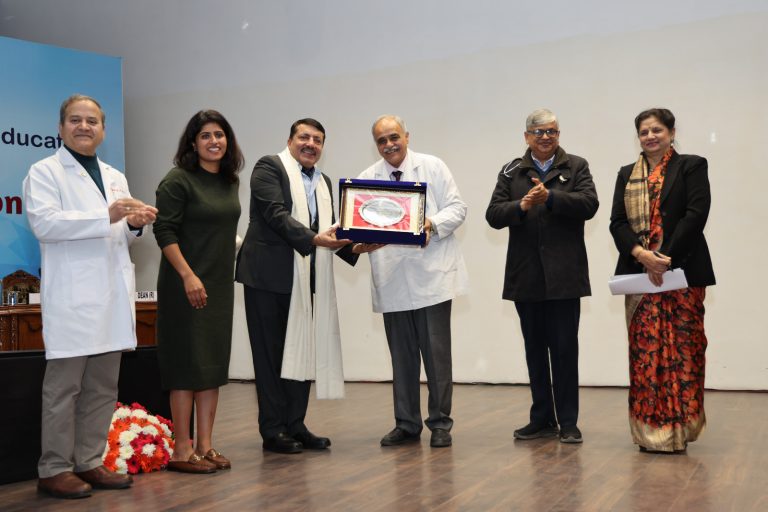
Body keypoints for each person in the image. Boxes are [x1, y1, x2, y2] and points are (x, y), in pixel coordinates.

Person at [23, 94, 157, 499]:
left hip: (111, 296)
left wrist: (135, 225)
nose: (84, 127)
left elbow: (122, 236)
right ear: (61, 127)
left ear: (103, 129)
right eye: (76, 120)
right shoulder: (44, 172)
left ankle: (90, 461)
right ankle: (54, 468)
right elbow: (45, 224)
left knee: (102, 387)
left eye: (92, 121)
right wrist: (109, 216)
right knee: (64, 389)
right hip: (73, 298)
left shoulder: (114, 175)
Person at [235, 118, 356, 454]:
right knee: (270, 355)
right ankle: (273, 429)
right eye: (305, 137)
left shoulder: (324, 181)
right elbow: (275, 214)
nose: (311, 144)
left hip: (306, 278)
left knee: (303, 349)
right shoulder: (268, 167)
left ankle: (295, 424)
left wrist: (357, 246)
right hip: (266, 277)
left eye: (318, 140)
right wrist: (313, 238)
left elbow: (329, 230)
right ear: (290, 140)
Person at [485, 108, 598, 444]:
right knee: (535, 350)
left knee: (565, 350)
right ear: (526, 137)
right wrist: (521, 205)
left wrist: (551, 199)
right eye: (538, 132)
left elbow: (589, 204)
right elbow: (493, 214)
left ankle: (569, 421)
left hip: (565, 276)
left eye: (551, 131)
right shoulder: (511, 171)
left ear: (558, 134)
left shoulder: (576, 166)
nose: (545, 137)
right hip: (527, 276)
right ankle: (541, 418)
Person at [355, 115, 468, 448]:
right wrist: (352, 238)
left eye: (394, 137)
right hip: (392, 278)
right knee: (401, 358)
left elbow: (458, 208)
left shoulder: (433, 166)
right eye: (381, 140)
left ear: (406, 136)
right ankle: (406, 423)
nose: (389, 144)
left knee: (436, 357)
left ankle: (440, 424)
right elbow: (357, 220)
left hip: (432, 277)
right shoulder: (367, 178)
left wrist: (429, 223)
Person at [609, 108, 714, 453]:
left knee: (684, 351)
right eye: (644, 131)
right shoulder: (626, 174)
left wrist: (663, 257)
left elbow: (695, 215)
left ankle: (681, 429)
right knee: (645, 355)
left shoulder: (692, 166)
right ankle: (650, 432)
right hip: (641, 279)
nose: (650, 136)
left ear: (670, 131)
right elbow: (617, 223)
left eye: (657, 129)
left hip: (681, 273)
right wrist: (643, 256)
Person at [153, 110, 243, 472]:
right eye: (205, 135)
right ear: (193, 142)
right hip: (184, 284)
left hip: (219, 285)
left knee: (211, 366)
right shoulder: (177, 180)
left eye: (219, 135)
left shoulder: (229, 181)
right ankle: (181, 449)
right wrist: (188, 276)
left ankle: (206, 446)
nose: (213, 142)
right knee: (186, 366)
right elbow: (165, 232)